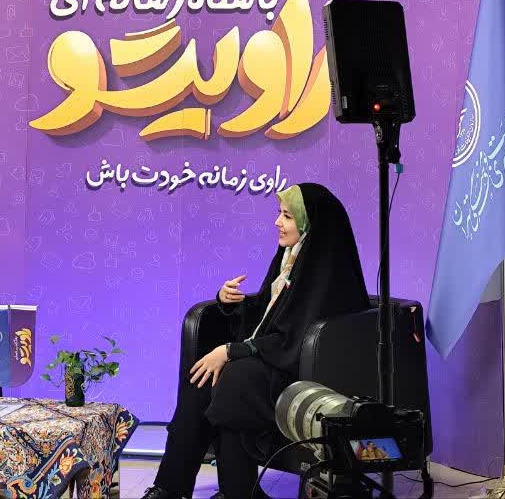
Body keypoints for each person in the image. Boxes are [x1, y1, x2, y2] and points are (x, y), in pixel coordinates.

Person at [141, 183, 370, 499]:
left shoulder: (327, 271)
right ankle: (169, 488)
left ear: (310, 223)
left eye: (287, 216)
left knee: (235, 378)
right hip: (273, 360)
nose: (278, 222)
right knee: (201, 378)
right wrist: (228, 303)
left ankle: (238, 492)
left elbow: (296, 337)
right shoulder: (290, 258)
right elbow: (267, 315)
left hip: (303, 372)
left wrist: (231, 351)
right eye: (279, 213)